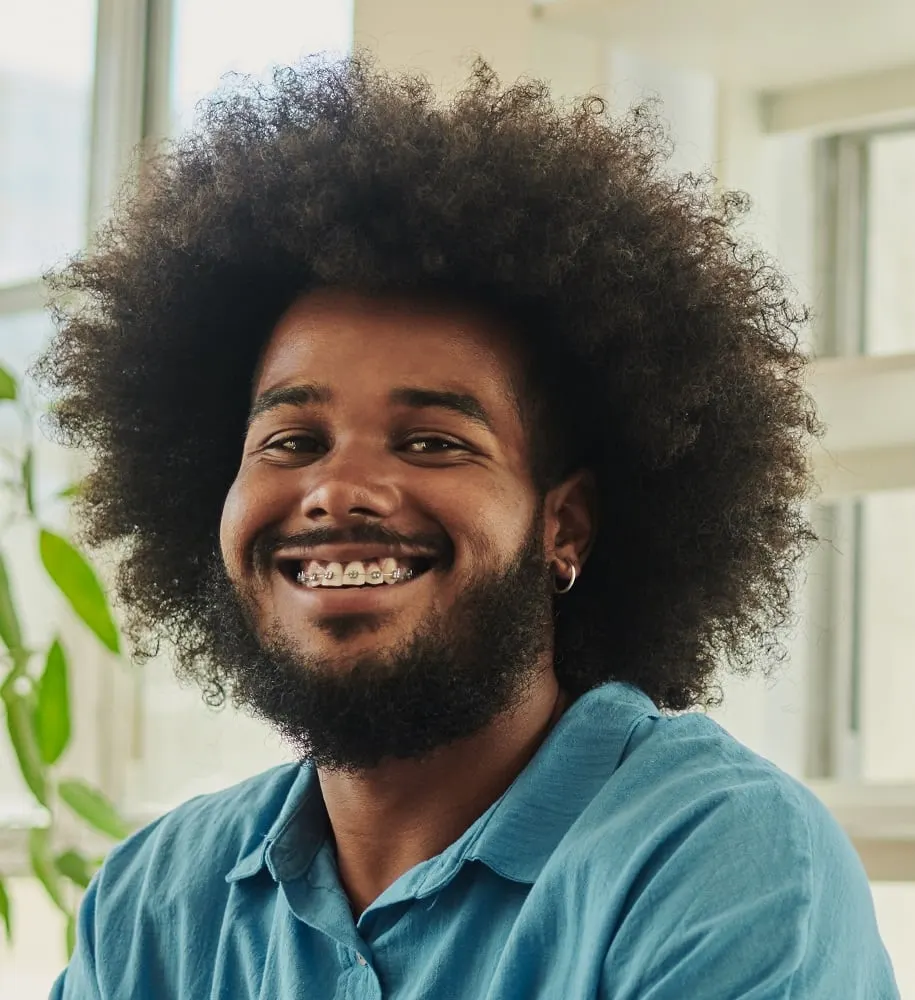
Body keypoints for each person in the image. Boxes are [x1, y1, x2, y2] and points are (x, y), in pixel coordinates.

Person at [38, 53, 898, 999]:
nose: (337, 490)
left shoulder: (718, 862)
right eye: (289, 439)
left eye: (432, 442)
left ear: (561, 526)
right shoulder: (158, 898)